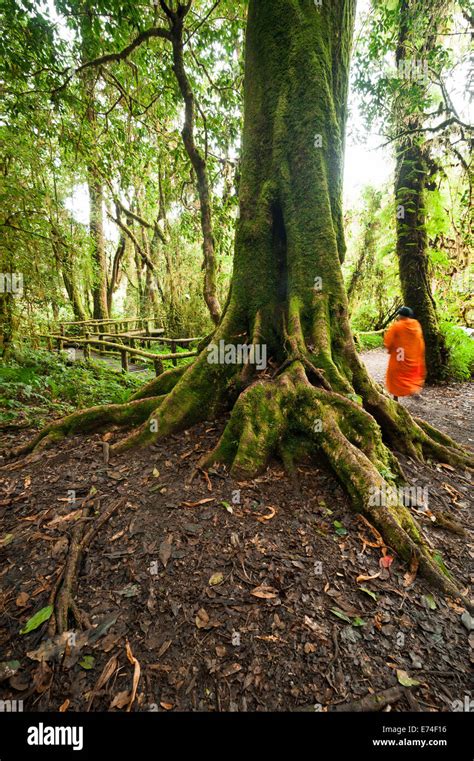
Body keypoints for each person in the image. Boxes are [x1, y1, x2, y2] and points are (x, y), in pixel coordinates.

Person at [384, 306, 426, 401]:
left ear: (400, 316)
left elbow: (388, 341)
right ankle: (413, 390)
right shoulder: (416, 325)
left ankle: (395, 398)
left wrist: (390, 349)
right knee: (411, 376)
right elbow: (420, 341)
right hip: (413, 357)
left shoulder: (397, 326)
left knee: (396, 377)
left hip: (399, 357)